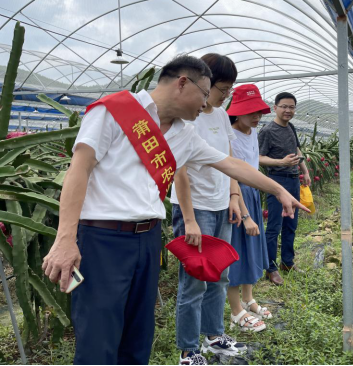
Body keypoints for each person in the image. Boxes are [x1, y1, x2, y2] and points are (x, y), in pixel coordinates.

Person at [41, 55, 308, 366]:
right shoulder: (113, 111)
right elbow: (79, 170)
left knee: (139, 334)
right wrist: (65, 240)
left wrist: (277, 190)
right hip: (102, 239)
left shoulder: (184, 133)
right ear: (183, 83)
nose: (207, 103)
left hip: (148, 239)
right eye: (206, 93)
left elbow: (229, 163)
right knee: (98, 333)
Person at [170, 54, 248, 365]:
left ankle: (215, 336)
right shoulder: (188, 117)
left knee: (220, 275)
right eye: (221, 87)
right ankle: (188, 351)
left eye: (229, 88)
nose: (225, 93)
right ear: (203, 81)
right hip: (196, 209)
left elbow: (229, 158)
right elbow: (180, 170)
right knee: (194, 280)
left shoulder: (219, 115)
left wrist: (233, 195)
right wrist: (189, 220)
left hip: (220, 204)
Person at [226, 85, 272, 333]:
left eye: (259, 111)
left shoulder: (252, 132)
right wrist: (245, 214)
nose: (256, 116)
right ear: (236, 112)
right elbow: (234, 174)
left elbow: (253, 166)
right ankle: (236, 310)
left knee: (251, 247)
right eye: (250, 111)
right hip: (237, 195)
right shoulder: (229, 136)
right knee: (237, 250)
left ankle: (248, 298)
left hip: (252, 193)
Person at [259, 92, 311, 286]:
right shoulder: (267, 131)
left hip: (293, 180)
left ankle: (287, 262)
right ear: (275, 108)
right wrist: (281, 161)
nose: (288, 110)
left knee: (291, 223)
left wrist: (304, 170)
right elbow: (258, 157)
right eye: (284, 106)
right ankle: (270, 268)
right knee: (274, 226)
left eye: (291, 107)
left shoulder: (291, 127)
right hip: (275, 181)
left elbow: (297, 150)